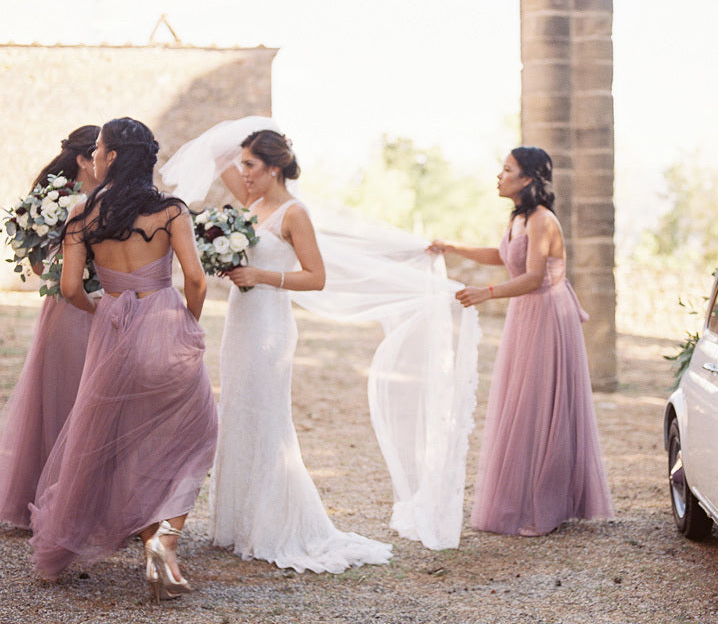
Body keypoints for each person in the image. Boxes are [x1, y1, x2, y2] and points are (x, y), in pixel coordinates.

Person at [27, 118, 218, 601]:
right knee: (192, 437)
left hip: (113, 328)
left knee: (113, 439)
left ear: (110, 158)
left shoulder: (81, 215)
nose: (94, 158)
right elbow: (196, 280)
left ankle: (105, 542)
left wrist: (105, 311)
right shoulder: (171, 211)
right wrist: (186, 323)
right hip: (165, 321)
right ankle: (163, 541)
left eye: (100, 150)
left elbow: (70, 289)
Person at [207, 129, 393, 572]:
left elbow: (316, 276)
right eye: (244, 164)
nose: (243, 173)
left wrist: (261, 276)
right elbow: (217, 153)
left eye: (251, 165)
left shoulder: (295, 213)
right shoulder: (252, 204)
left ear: (274, 168)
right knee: (237, 409)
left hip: (270, 321)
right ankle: (240, 522)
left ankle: (273, 524)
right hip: (241, 319)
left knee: (266, 415)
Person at [428, 146, 614, 536]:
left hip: (547, 313)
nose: (499, 175)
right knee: (521, 402)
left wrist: (486, 293)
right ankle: (525, 498)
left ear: (527, 178)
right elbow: (502, 256)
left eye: (507, 169)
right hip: (524, 315)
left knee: (539, 404)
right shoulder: (520, 218)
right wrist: (452, 247)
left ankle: (545, 505)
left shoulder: (544, 220)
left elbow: (533, 277)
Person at [0, 125, 101, 529]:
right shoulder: (63, 201)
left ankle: (74, 496)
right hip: (72, 307)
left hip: (87, 304)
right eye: (100, 154)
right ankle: (58, 500)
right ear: (82, 159)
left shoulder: (95, 200)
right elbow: (36, 258)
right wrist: (65, 277)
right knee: (68, 394)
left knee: (84, 395)